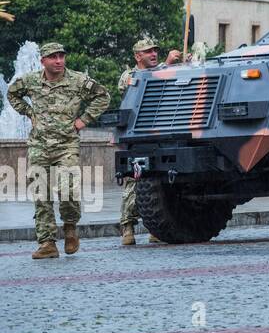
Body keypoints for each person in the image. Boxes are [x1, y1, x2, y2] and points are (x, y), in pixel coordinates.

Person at [7, 42, 109, 260]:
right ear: (42, 60)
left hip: (66, 145)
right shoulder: (31, 81)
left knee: (68, 190)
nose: (59, 60)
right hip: (39, 145)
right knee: (41, 194)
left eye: (61, 56)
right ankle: (47, 243)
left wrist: (83, 120)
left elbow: (103, 96)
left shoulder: (78, 80)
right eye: (53, 57)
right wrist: (29, 113)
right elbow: (12, 94)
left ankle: (70, 227)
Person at [117, 36, 181, 245]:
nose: (153, 54)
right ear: (138, 56)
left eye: (155, 51)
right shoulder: (129, 75)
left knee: (159, 184)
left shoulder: (159, 70)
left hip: (159, 133)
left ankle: (156, 228)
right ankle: (127, 227)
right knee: (133, 182)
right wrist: (167, 64)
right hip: (137, 135)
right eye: (148, 52)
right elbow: (137, 84)